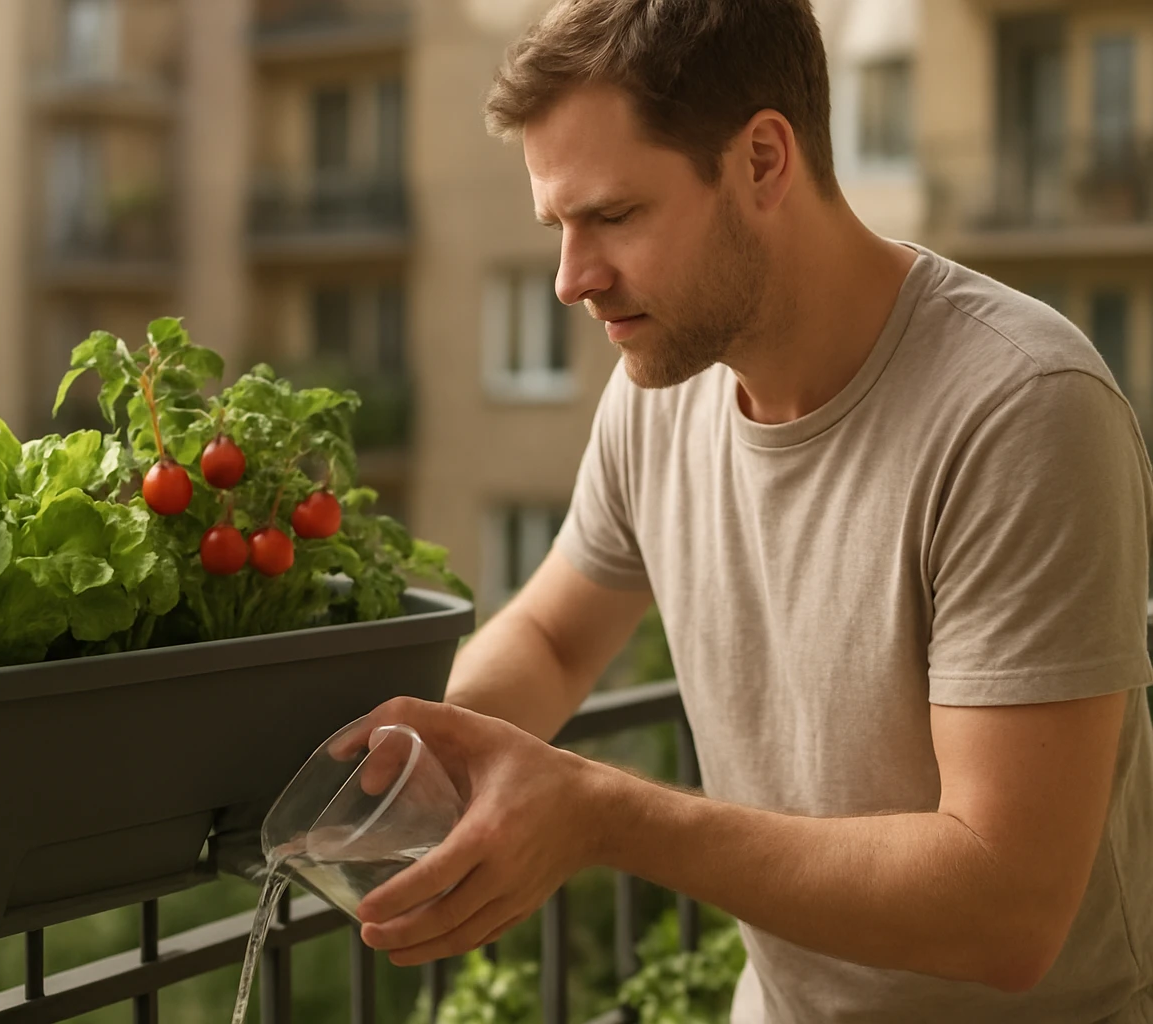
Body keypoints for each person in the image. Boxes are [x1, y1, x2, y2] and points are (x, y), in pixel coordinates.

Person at [345, 1, 1153, 1020]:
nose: (571, 280)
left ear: (764, 160)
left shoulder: (1021, 408)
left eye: (615, 216)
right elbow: (553, 638)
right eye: (558, 227)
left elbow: (1007, 905)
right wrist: (400, 768)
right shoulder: (656, 394)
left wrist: (600, 814)